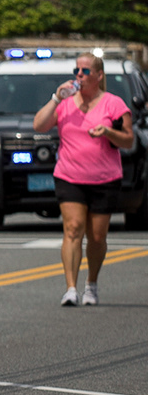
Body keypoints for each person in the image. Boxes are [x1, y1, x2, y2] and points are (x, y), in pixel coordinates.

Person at [34, 53, 137, 306]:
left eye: (85, 71)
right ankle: (71, 288)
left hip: (105, 178)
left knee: (97, 237)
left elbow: (128, 140)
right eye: (77, 70)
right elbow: (39, 125)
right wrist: (56, 98)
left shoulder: (113, 104)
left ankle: (91, 283)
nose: (79, 75)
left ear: (99, 76)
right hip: (70, 176)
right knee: (73, 229)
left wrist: (108, 132)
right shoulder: (65, 103)